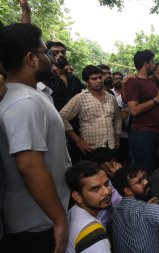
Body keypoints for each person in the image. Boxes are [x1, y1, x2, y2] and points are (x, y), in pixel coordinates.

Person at [0, 23, 70, 253]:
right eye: (46, 53)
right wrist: (59, 218)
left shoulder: (31, 95)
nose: (50, 58)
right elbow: (29, 165)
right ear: (31, 59)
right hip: (36, 224)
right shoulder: (24, 103)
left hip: (41, 217)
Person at [123, 50, 159, 171]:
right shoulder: (134, 81)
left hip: (157, 132)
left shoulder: (151, 82)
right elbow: (134, 110)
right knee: (143, 169)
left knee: (156, 168)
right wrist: (157, 99)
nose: (154, 65)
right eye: (153, 62)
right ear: (147, 63)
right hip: (143, 134)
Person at [60, 65, 122, 154]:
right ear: (86, 82)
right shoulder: (80, 98)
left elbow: (118, 119)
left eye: (100, 77)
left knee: (112, 168)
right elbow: (62, 118)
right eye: (94, 79)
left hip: (111, 145)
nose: (99, 81)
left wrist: (117, 137)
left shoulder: (111, 98)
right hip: (91, 147)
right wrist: (78, 140)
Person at [65, 161, 112, 253]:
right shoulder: (94, 236)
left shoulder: (73, 211)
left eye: (106, 184)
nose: (106, 192)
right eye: (95, 189)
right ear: (77, 197)